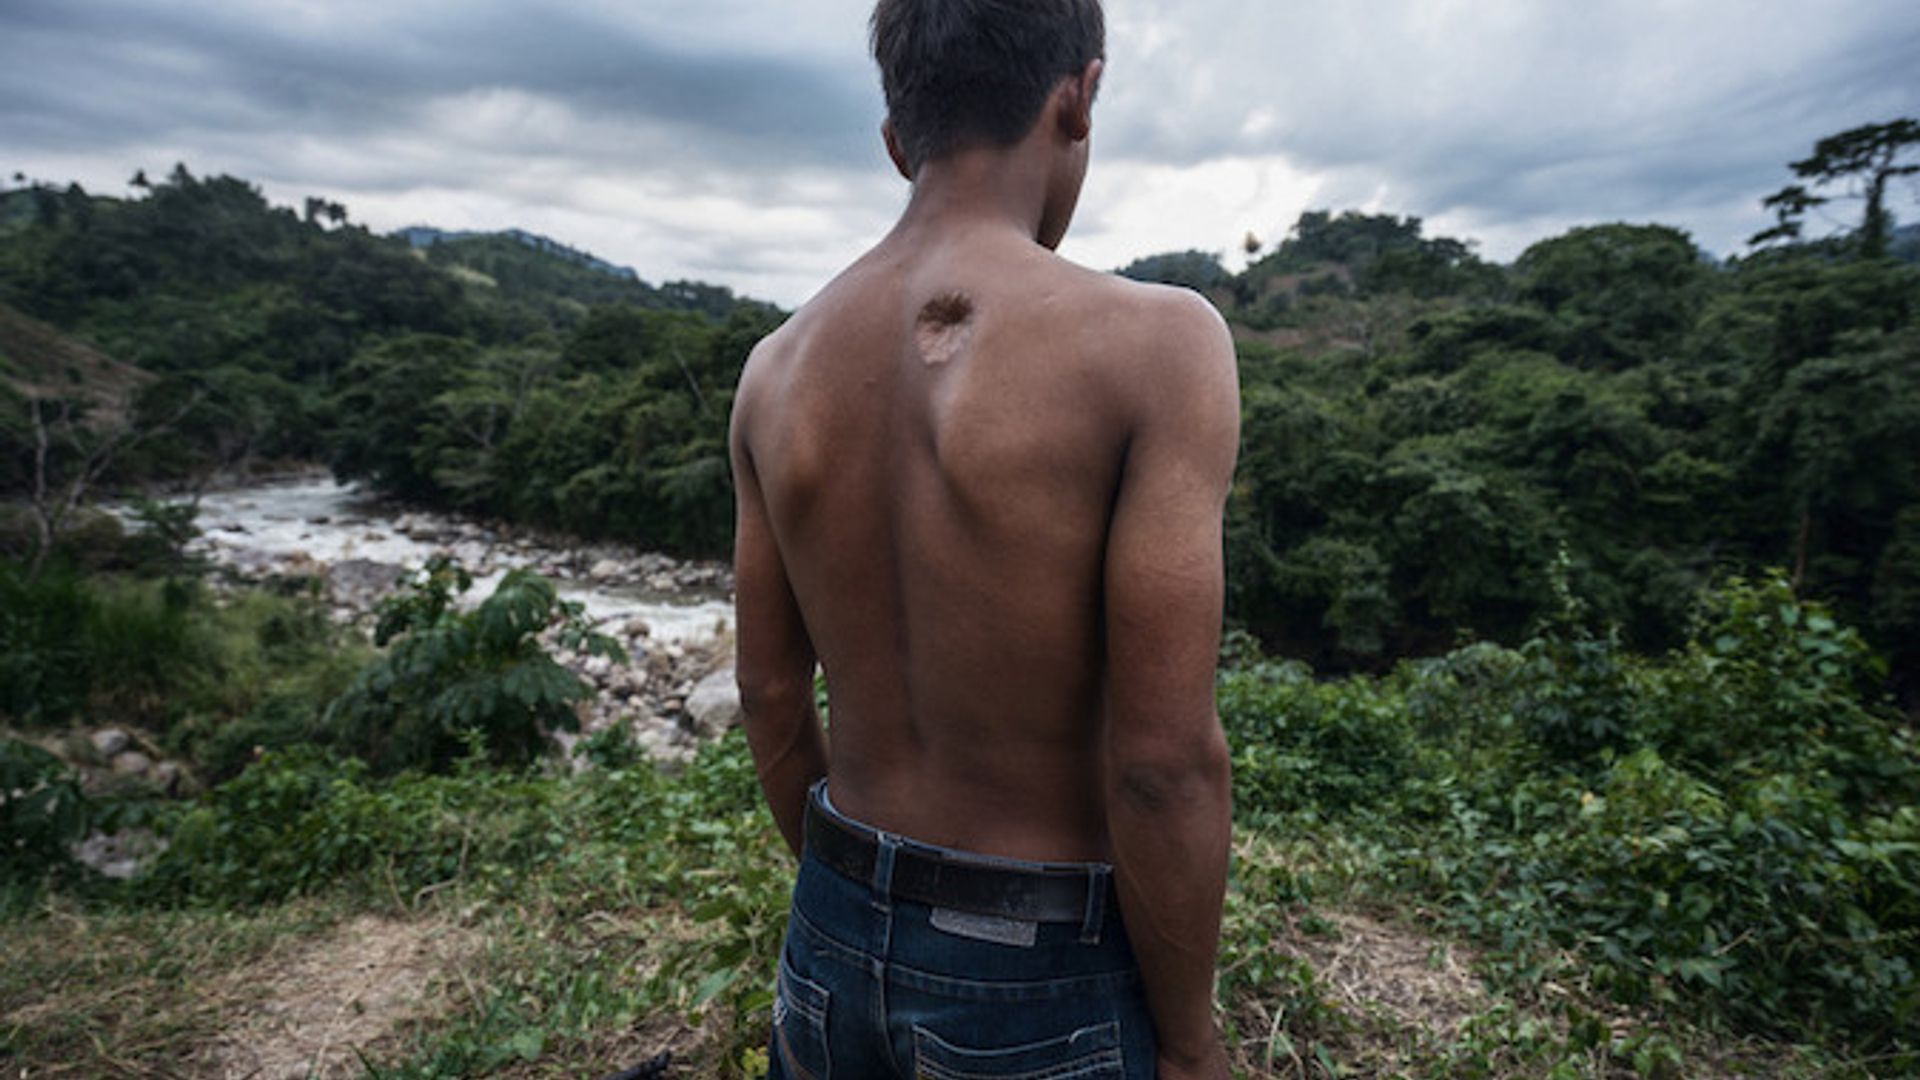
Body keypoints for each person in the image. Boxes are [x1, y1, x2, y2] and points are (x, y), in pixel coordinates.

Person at [729, 0, 1239, 1076]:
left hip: (827, 927)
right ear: (1079, 98)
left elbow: (773, 697)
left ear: (896, 140)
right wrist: (1190, 1046)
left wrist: (860, 902)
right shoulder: (1160, 348)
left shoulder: (775, 371)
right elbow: (1160, 762)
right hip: (1040, 966)